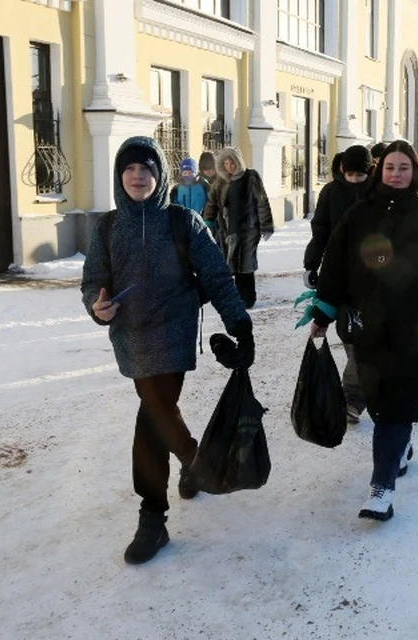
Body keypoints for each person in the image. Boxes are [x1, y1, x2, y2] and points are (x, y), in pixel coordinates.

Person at [80, 136, 254, 564]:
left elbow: (216, 276)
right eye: (130, 169)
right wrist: (96, 306)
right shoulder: (106, 227)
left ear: (159, 177)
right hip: (131, 339)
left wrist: (240, 324)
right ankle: (194, 459)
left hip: (173, 333)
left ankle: (152, 516)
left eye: (147, 169)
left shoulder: (182, 221)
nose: (138, 177)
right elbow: (92, 280)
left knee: (151, 415)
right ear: (120, 177)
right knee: (160, 411)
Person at [307, 136, 418, 522]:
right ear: (380, 171)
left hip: (417, 326)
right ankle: (399, 444)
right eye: (389, 167)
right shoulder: (358, 216)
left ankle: (381, 487)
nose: (395, 174)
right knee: (380, 401)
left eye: (403, 168)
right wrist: (323, 313)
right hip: (368, 325)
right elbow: (336, 264)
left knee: (398, 405)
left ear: (415, 173)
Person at [302, 144, 372, 424]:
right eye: (350, 174)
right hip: (339, 272)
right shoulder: (331, 193)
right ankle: (360, 386)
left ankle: (353, 397)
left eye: (360, 175)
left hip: (371, 274)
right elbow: (320, 230)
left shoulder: (377, 193)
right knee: (348, 331)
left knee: (364, 337)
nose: (354, 179)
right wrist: (311, 263)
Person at [202, 147, 274, 309]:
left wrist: (266, 225)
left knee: (245, 264)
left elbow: (261, 201)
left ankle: (248, 298)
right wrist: (208, 221)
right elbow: (212, 203)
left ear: (238, 162)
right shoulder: (220, 181)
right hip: (227, 230)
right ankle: (233, 297)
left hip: (248, 229)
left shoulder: (250, 177)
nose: (230, 166)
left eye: (232, 162)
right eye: (226, 163)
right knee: (229, 265)